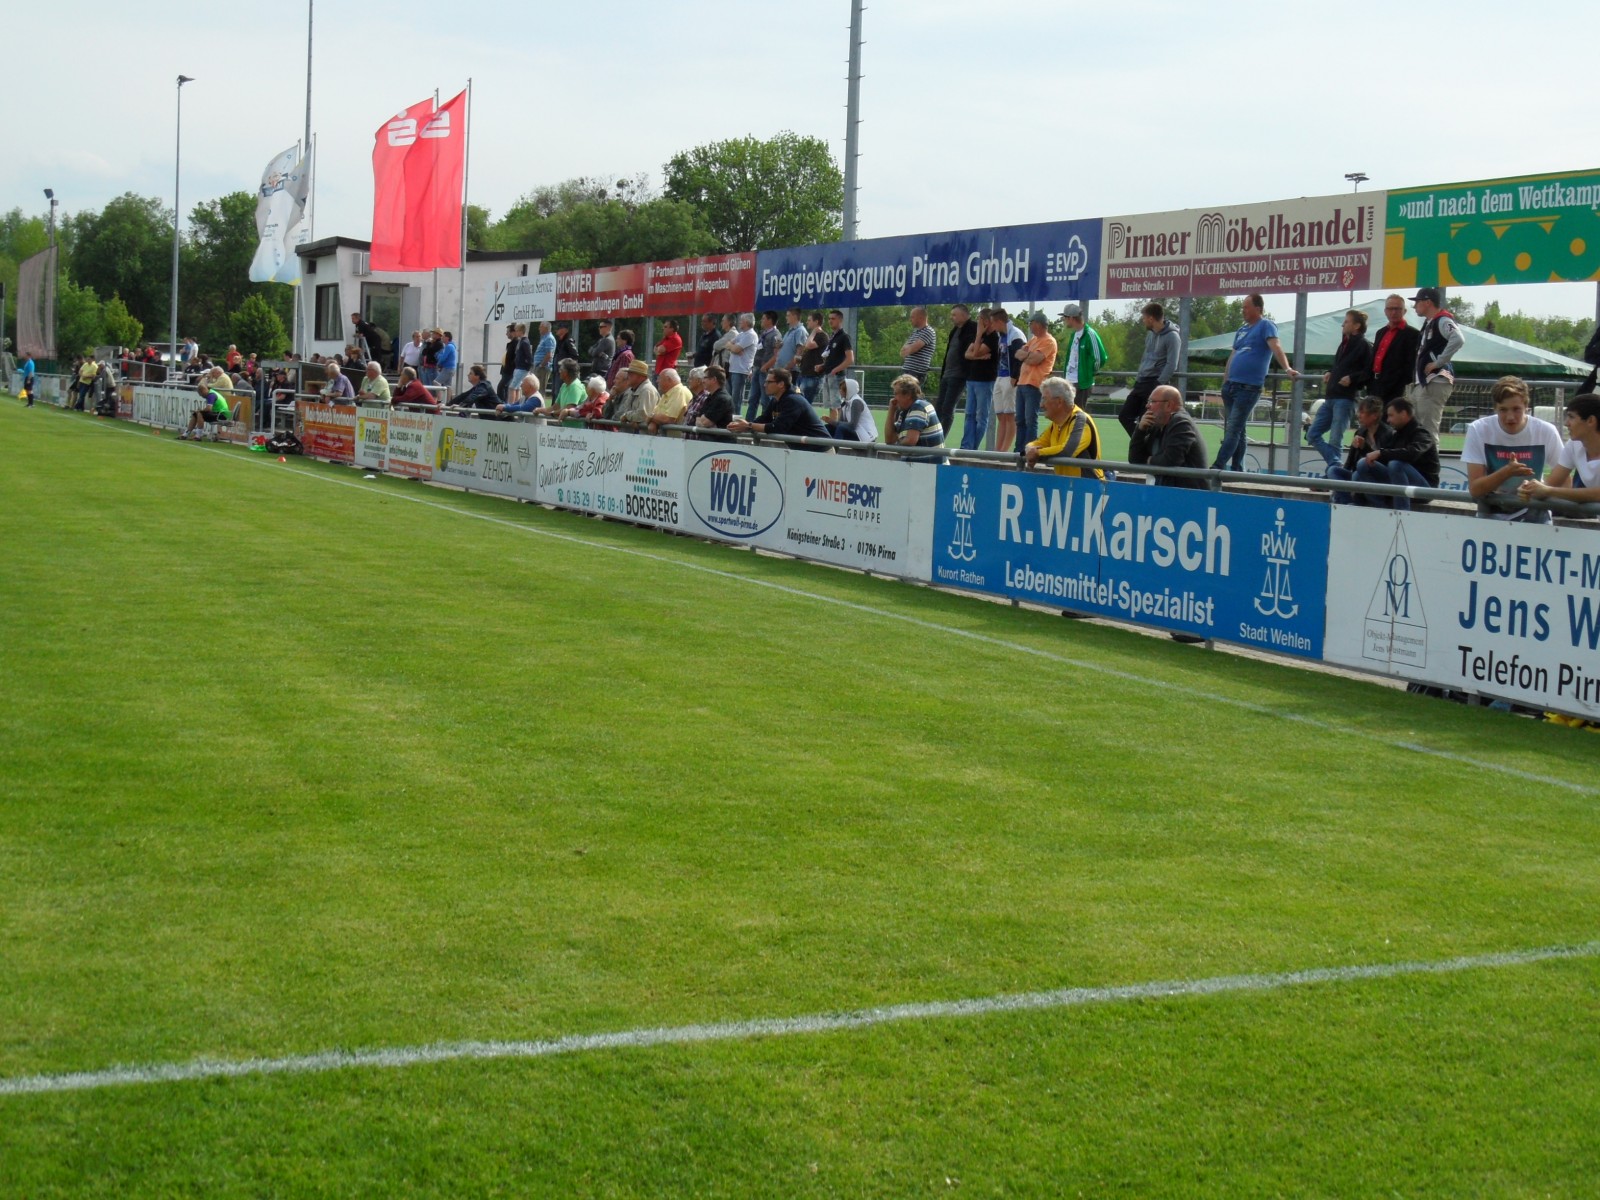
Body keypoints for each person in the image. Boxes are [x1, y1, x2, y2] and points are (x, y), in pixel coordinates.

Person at [1212, 293, 1297, 472]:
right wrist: (1225, 379)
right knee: (1238, 429)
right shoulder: (1242, 329)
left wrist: (1287, 368)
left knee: (1233, 429)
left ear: (1258, 308)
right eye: (1243, 307)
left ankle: (1218, 466)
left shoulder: (1266, 325)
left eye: (1246, 307)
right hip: (1231, 386)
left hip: (1248, 387)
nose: (1243, 310)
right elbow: (1234, 353)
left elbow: (1276, 346)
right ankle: (1237, 468)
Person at [1463, 375, 1566, 522]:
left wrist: (1538, 489)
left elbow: (1565, 481)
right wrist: (1507, 471)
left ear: (1526, 407)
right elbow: (1475, 489)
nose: (1510, 417)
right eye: (1503, 410)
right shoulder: (1478, 429)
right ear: (1495, 408)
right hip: (1492, 515)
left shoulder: (1546, 430)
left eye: (1516, 409)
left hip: (1535, 516)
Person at [1339, 397, 1441, 510]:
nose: (1388, 420)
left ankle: (1401, 512)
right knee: (1363, 465)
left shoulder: (1421, 433)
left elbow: (1412, 453)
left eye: (1391, 415)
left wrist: (1381, 453)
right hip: (1400, 482)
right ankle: (1378, 507)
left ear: (1403, 414)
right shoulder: (1397, 434)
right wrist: (1365, 449)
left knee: (1396, 464)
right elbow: (1381, 457)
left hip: (1425, 489)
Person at [1306, 309, 1373, 470]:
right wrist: (1330, 372)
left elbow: (1368, 371)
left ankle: (1334, 471)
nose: (1343, 324)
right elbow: (1340, 366)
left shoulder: (1364, 345)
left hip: (1345, 398)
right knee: (1312, 434)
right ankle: (1336, 466)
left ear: (1357, 326)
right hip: (1331, 397)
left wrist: (1352, 378)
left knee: (1335, 439)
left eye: (1347, 321)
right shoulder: (1344, 344)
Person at [1519, 393, 1600, 507]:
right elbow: (1550, 484)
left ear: (1591, 420)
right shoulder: (1573, 445)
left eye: (1571, 417)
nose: (1566, 423)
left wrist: (1548, 490)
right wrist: (1530, 488)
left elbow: (1598, 494)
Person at [1118, 302, 1183, 437]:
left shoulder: (1173, 337)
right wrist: (1138, 378)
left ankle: (1144, 450)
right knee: (1124, 416)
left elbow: (1172, 364)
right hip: (1141, 382)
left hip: (1155, 384)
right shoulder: (1150, 335)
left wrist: (1158, 384)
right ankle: (1140, 443)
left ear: (1151, 319)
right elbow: (1145, 358)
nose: (1143, 321)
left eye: (1144, 318)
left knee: (1147, 421)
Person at [1408, 287, 1463, 435]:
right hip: (1427, 381)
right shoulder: (1431, 322)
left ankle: (1430, 458)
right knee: (1417, 428)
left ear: (1427, 302)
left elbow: (1458, 339)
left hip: (1435, 380)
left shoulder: (1442, 319)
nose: (1414, 306)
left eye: (1417, 302)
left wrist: (1438, 362)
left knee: (1428, 431)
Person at [1129, 384, 1208, 488]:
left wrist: (1148, 460)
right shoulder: (1158, 426)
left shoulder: (1181, 422)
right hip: (1171, 492)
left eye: (1152, 401)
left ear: (1169, 405)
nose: (1147, 406)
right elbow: (1134, 459)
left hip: (1190, 495)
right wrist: (1140, 430)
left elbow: (1170, 460)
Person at [1024, 377, 1103, 479]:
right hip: (1067, 487)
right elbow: (1037, 443)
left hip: (1089, 489)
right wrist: (1029, 449)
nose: (1041, 405)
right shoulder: (1056, 425)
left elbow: (1068, 450)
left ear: (1059, 401)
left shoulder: (1080, 420)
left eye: (1044, 399)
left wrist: (1038, 453)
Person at [730, 367, 830, 447]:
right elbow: (764, 419)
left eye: (769, 382)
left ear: (781, 384)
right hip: (804, 451)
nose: (765, 385)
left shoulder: (793, 400)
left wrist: (749, 425)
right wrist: (741, 425)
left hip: (820, 451)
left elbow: (777, 427)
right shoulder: (776, 400)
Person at [1325, 397, 1391, 504]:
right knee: (1333, 470)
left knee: (1357, 474)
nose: (1358, 415)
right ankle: (1349, 502)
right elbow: (1350, 462)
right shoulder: (1360, 432)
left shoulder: (1387, 434)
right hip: (1357, 474)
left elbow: (1383, 462)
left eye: (1362, 412)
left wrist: (1365, 447)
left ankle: (1374, 504)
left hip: (1376, 478)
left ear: (1374, 415)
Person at [1014, 312, 1059, 461]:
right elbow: (1018, 354)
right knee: (1019, 419)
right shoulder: (1033, 340)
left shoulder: (1049, 341)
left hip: (1034, 384)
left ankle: (1029, 450)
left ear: (1038, 324)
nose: (1029, 326)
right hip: (1022, 382)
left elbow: (1036, 359)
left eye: (1031, 323)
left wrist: (1027, 356)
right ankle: (1018, 450)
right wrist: (1028, 355)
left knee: (1030, 419)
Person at [884, 373, 946, 463]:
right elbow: (889, 440)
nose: (894, 399)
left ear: (908, 395)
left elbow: (910, 440)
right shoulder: (905, 412)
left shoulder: (919, 407)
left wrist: (896, 446)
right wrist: (891, 411)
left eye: (896, 394)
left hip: (931, 469)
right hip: (918, 468)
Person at [1369, 294, 1419, 405]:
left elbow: (1410, 363)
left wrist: (1400, 382)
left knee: (1390, 419)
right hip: (1376, 384)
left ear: (1404, 311)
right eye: (1390, 309)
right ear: (1385, 311)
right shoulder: (1381, 332)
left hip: (1395, 387)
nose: (1393, 312)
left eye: (1397, 309)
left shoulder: (1412, 334)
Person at [960, 307, 999, 450]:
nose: (978, 322)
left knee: (981, 417)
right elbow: (967, 354)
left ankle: (973, 447)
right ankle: (967, 446)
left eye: (980, 319)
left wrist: (977, 348)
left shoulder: (993, 337)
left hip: (985, 380)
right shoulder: (980, 336)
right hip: (972, 379)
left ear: (986, 321)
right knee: (969, 414)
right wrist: (979, 354)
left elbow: (975, 351)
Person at [935, 304, 976, 434]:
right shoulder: (955, 330)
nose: (951, 317)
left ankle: (941, 438)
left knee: (948, 408)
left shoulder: (972, 328)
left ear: (964, 315)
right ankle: (934, 436)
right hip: (947, 374)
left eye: (954, 315)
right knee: (939, 407)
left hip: (959, 375)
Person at [991, 308, 1025, 453]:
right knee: (1000, 413)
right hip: (1000, 376)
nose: (992, 327)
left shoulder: (1015, 334)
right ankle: (997, 449)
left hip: (1010, 378)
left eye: (993, 323)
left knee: (1010, 414)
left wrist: (1015, 376)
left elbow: (1019, 357)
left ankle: (1004, 450)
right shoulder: (1001, 335)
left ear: (999, 321)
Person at [1060, 303, 1107, 408]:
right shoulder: (1074, 334)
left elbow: (1100, 358)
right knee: (1066, 413)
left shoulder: (1090, 334)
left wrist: (1090, 372)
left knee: (1077, 415)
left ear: (1071, 318)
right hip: (1069, 380)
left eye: (1065, 318)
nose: (1064, 320)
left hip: (1082, 383)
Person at [604, 358, 658, 428]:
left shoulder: (647, 390)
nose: (628, 376)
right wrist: (628, 417)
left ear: (640, 376)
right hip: (634, 435)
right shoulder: (632, 390)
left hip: (644, 436)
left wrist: (626, 416)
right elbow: (623, 413)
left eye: (631, 374)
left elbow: (643, 415)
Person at [825, 375, 877, 442]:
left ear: (848, 390)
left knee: (841, 428)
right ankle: (822, 448)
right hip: (856, 432)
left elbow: (852, 425)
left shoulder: (856, 402)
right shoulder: (846, 402)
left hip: (865, 436)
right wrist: (831, 422)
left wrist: (833, 422)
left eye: (842, 389)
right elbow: (842, 422)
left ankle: (834, 450)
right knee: (828, 427)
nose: (840, 391)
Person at [727, 313, 760, 419]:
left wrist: (735, 348)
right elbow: (728, 344)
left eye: (741, 320)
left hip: (741, 371)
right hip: (734, 369)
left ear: (746, 322)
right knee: (732, 397)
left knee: (736, 399)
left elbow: (735, 348)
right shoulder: (741, 334)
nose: (739, 322)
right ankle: (732, 419)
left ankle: (736, 422)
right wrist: (735, 348)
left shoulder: (751, 335)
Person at [687, 364, 736, 433]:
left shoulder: (722, 399)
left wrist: (703, 421)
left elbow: (705, 423)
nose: (702, 381)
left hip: (719, 442)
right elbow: (698, 420)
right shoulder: (710, 397)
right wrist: (702, 421)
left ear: (714, 380)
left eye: (705, 378)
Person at [647, 367, 693, 435]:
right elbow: (656, 413)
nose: (657, 381)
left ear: (669, 379)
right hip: (669, 440)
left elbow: (668, 419)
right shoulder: (667, 393)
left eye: (659, 378)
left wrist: (651, 417)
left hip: (676, 442)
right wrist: (653, 421)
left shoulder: (679, 392)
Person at [797, 312, 828, 403]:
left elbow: (808, 345)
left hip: (813, 376)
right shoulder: (812, 336)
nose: (807, 322)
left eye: (809, 320)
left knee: (805, 404)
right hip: (803, 374)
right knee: (798, 401)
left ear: (816, 322)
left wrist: (814, 331)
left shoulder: (822, 336)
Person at [900, 307, 936, 386]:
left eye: (912, 317)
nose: (910, 319)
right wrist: (909, 348)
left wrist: (909, 348)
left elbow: (913, 349)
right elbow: (902, 351)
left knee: (912, 396)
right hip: (907, 370)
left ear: (920, 317)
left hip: (917, 373)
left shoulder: (928, 331)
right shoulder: (915, 332)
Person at [776, 307, 808, 377]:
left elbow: (799, 353)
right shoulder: (789, 331)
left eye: (788, 315)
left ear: (795, 317)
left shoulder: (800, 331)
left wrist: (786, 368)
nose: (786, 317)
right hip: (783, 371)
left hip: (790, 372)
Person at [753, 311, 782, 382]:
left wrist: (765, 366)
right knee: (754, 393)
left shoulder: (776, 335)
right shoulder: (764, 333)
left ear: (770, 320)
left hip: (766, 370)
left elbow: (777, 354)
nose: (761, 320)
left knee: (765, 392)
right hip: (757, 367)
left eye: (763, 318)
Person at [531, 321, 555, 393]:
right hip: (539, 367)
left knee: (540, 390)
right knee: (536, 389)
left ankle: (539, 404)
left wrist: (541, 365)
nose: (539, 328)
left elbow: (549, 354)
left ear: (546, 328)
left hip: (543, 368)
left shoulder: (549, 338)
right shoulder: (544, 338)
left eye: (540, 327)